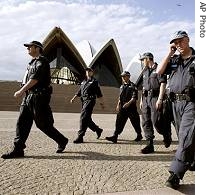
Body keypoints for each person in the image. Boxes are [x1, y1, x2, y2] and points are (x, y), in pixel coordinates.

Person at [1, 41, 68, 159]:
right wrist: (23, 90)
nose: (27, 49)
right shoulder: (31, 63)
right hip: (29, 96)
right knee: (22, 122)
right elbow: (26, 79)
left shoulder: (42, 61)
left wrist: (21, 91)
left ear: (37, 48)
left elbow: (35, 79)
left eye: (30, 47)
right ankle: (18, 149)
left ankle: (62, 140)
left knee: (43, 124)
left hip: (39, 97)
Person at [156, 30, 195, 189]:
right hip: (175, 104)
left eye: (180, 41)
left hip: (192, 102)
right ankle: (193, 159)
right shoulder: (173, 59)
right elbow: (159, 72)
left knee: (186, 135)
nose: (178, 44)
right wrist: (169, 52)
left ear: (188, 40)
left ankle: (175, 174)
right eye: (175, 42)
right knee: (183, 135)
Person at [139, 52, 172, 154]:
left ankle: (166, 134)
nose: (142, 62)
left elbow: (163, 83)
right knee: (146, 122)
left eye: (143, 59)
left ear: (148, 59)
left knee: (156, 121)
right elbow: (143, 87)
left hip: (155, 97)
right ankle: (150, 145)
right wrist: (141, 100)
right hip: (145, 98)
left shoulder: (158, 69)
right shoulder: (144, 71)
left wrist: (160, 99)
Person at [105, 71, 142, 143]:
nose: (123, 78)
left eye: (124, 76)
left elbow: (134, 98)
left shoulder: (133, 86)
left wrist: (128, 104)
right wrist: (118, 104)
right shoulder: (121, 86)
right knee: (119, 121)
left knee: (135, 122)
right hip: (122, 107)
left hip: (131, 107)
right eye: (122, 76)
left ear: (128, 76)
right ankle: (115, 136)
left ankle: (139, 135)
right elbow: (120, 96)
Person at [70, 67, 104, 143]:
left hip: (90, 100)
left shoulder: (94, 82)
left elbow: (99, 93)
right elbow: (79, 91)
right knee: (87, 119)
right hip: (84, 101)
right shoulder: (83, 81)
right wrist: (73, 98)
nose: (88, 72)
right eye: (87, 71)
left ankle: (80, 136)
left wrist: (102, 103)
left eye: (89, 71)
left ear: (92, 72)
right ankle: (98, 130)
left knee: (83, 117)